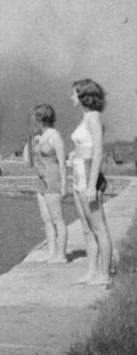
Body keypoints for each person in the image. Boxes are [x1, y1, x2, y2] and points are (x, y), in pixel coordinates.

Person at [70, 78, 112, 286]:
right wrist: (73, 155)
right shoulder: (85, 117)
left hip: (88, 176)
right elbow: (83, 146)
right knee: (87, 228)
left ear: (83, 96)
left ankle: (104, 275)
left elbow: (98, 152)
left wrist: (91, 185)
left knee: (99, 227)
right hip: (78, 175)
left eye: (74, 93)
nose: (71, 97)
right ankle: (91, 272)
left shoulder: (94, 117)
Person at [24, 104, 68, 263]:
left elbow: (62, 162)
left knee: (57, 218)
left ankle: (61, 255)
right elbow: (26, 162)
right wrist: (30, 141)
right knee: (46, 219)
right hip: (40, 181)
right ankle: (51, 252)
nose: (33, 121)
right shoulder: (39, 136)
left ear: (42, 118)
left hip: (52, 180)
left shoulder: (54, 136)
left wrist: (64, 186)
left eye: (35, 117)